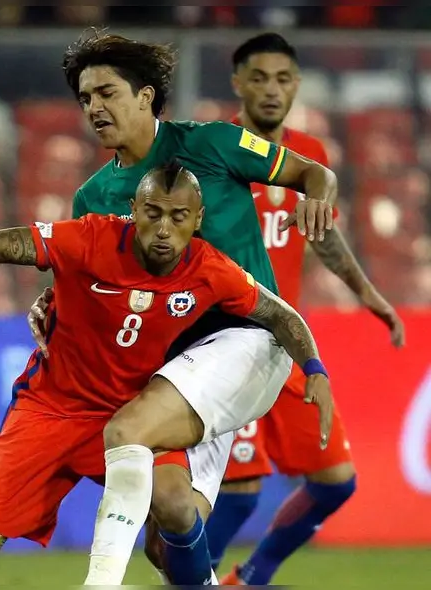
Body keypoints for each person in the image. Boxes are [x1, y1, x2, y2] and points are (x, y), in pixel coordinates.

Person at [0, 161, 333, 586]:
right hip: (50, 410)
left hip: (131, 415)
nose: (164, 228)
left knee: (177, 506)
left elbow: (280, 315)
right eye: (153, 213)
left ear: (197, 220)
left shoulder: (209, 269)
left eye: (178, 217)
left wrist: (315, 369)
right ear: (134, 209)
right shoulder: (91, 238)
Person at [24, 28, 337, 585]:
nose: (95, 107)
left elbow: (314, 173)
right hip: (173, 367)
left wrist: (317, 199)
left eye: (107, 92)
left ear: (146, 96)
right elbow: (84, 289)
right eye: (85, 98)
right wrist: (48, 305)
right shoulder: (93, 197)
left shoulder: (215, 143)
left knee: (125, 433)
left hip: (250, 338)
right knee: (170, 526)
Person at [202, 33, 405, 586]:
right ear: (237, 82)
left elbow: (325, 238)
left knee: (335, 481)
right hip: (223, 341)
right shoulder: (210, 150)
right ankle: (191, 582)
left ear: (297, 85)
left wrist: (369, 295)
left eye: (284, 78)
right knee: (239, 494)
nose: (272, 90)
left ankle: (250, 577)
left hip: (286, 344)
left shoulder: (310, 159)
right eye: (260, 78)